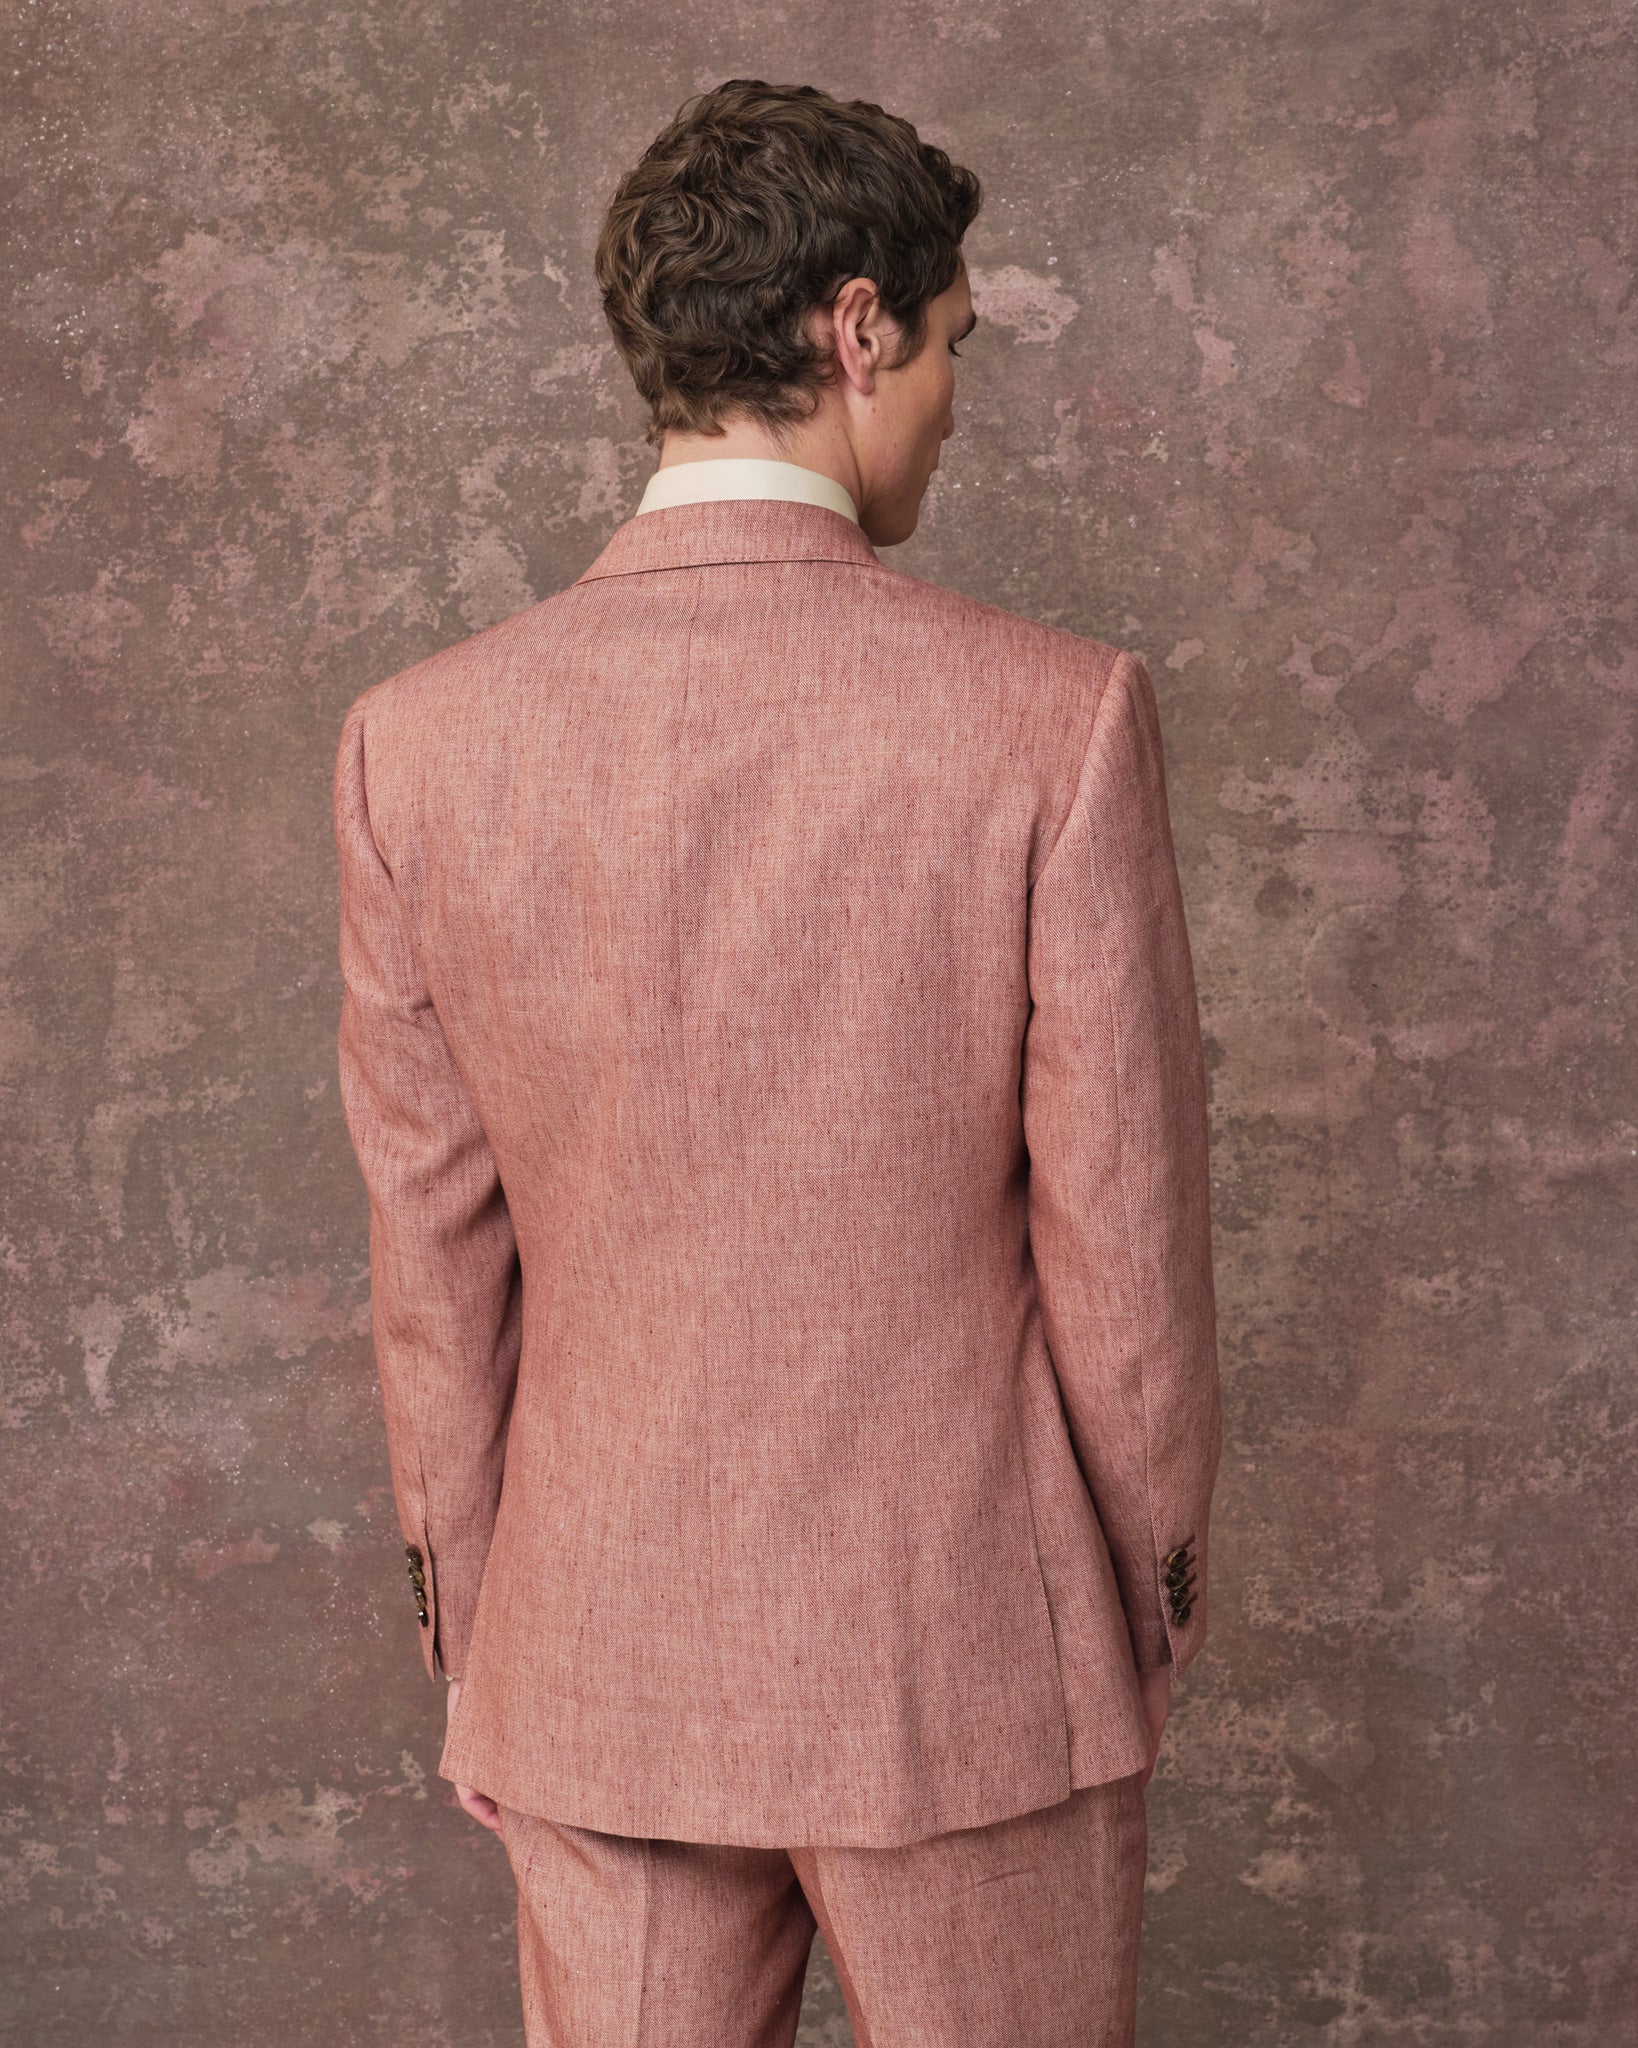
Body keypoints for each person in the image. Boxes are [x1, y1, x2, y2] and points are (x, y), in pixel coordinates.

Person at [334, 75, 1222, 2048]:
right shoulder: (1055, 723)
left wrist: (481, 1649)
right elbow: (1126, 1252)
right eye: (953, 344)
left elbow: (434, 1264)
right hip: (972, 1655)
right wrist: (1140, 1603)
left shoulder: (419, 744)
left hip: (593, 1652)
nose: (955, 402)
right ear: (857, 330)